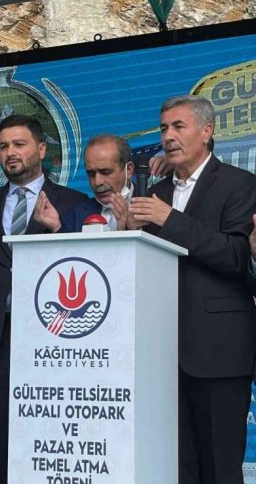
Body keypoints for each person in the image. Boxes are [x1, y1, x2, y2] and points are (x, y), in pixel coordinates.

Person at [128, 94, 256, 484]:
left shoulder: (239, 184)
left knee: (220, 469)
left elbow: (236, 257)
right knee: (176, 468)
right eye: (164, 128)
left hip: (219, 352)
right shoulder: (156, 192)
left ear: (206, 131)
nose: (168, 136)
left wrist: (170, 220)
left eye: (178, 126)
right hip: (161, 355)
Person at [0, 114, 86, 483]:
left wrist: (58, 230)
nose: (10, 153)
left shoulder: (73, 202)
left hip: (52, 337)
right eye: (3, 146)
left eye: (19, 144)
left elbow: (87, 266)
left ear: (42, 149)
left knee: (47, 437)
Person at [34, 134, 134, 232]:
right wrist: (57, 228)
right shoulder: (76, 214)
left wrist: (131, 230)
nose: (98, 182)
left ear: (128, 170)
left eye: (106, 172)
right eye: (91, 174)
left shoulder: (144, 209)